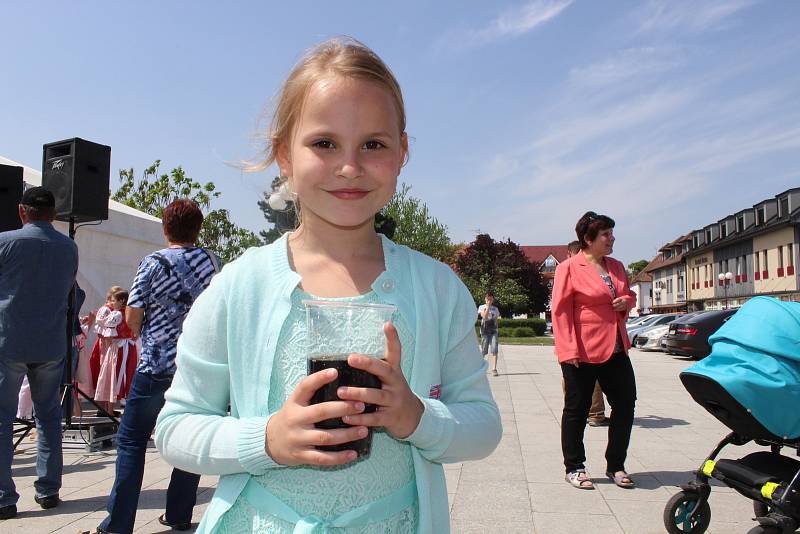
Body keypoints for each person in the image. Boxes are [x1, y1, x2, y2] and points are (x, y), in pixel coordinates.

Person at [154, 37, 502, 534]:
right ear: (284, 156)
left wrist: (416, 417)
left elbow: (483, 427)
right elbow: (175, 428)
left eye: (374, 145)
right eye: (324, 143)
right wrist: (268, 439)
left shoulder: (436, 288)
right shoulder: (239, 286)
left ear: (403, 153)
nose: (349, 166)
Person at [88, 199, 220, 534]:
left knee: (132, 442)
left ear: (165, 228)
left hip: (154, 366)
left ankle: (118, 524)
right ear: (198, 228)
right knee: (189, 440)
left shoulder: (152, 262)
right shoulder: (213, 262)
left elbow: (132, 317)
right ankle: (178, 514)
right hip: (195, 369)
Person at [0, 187, 78, 519]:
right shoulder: (69, 247)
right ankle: (48, 489)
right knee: (48, 417)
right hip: (49, 343)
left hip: (9, 341)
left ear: (22, 211)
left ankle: (4, 497)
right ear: (54, 215)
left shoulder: (5, 241)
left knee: (2, 419)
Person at [552, 211, 637, 490]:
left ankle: (616, 465)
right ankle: (574, 467)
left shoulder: (617, 266)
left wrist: (626, 301)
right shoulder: (569, 268)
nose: (612, 239)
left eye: (612, 233)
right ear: (588, 240)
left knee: (625, 406)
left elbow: (629, 295)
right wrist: (567, 349)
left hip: (616, 348)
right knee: (577, 410)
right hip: (581, 351)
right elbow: (561, 311)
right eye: (606, 235)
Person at [565, 240, 610, 428]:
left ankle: (581, 411)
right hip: (588, 340)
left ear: (570, 253)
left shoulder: (573, 270)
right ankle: (596, 414)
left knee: (572, 382)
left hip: (574, 340)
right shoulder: (576, 270)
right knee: (594, 380)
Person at [93, 290, 138, 410]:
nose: (112, 303)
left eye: (114, 301)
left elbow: (106, 328)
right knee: (127, 372)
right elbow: (137, 331)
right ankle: (122, 404)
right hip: (130, 346)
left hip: (118, 348)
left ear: (121, 301)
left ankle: (110, 409)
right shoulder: (131, 312)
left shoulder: (116, 314)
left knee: (113, 373)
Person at [478, 291, 501, 376]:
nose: (489, 300)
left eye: (490, 299)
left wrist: (497, 330)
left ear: (493, 299)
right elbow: (484, 316)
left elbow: (496, 320)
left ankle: (494, 369)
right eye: (487, 299)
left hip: (493, 331)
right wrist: (487, 307)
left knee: (494, 349)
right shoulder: (481, 307)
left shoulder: (495, 309)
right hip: (485, 331)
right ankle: (479, 368)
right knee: (484, 350)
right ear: (485, 299)